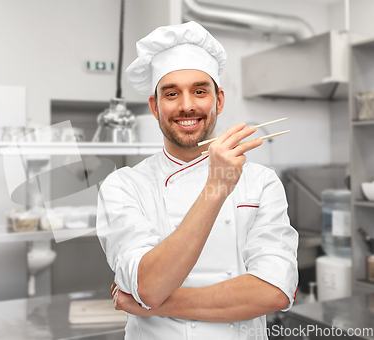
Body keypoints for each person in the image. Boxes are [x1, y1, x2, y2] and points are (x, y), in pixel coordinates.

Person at [96, 21, 298, 340]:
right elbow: (149, 285)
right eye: (172, 93)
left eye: (199, 91)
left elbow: (274, 292)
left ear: (218, 100)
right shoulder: (123, 186)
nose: (187, 105)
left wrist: (156, 304)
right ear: (155, 106)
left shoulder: (262, 182)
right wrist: (216, 188)